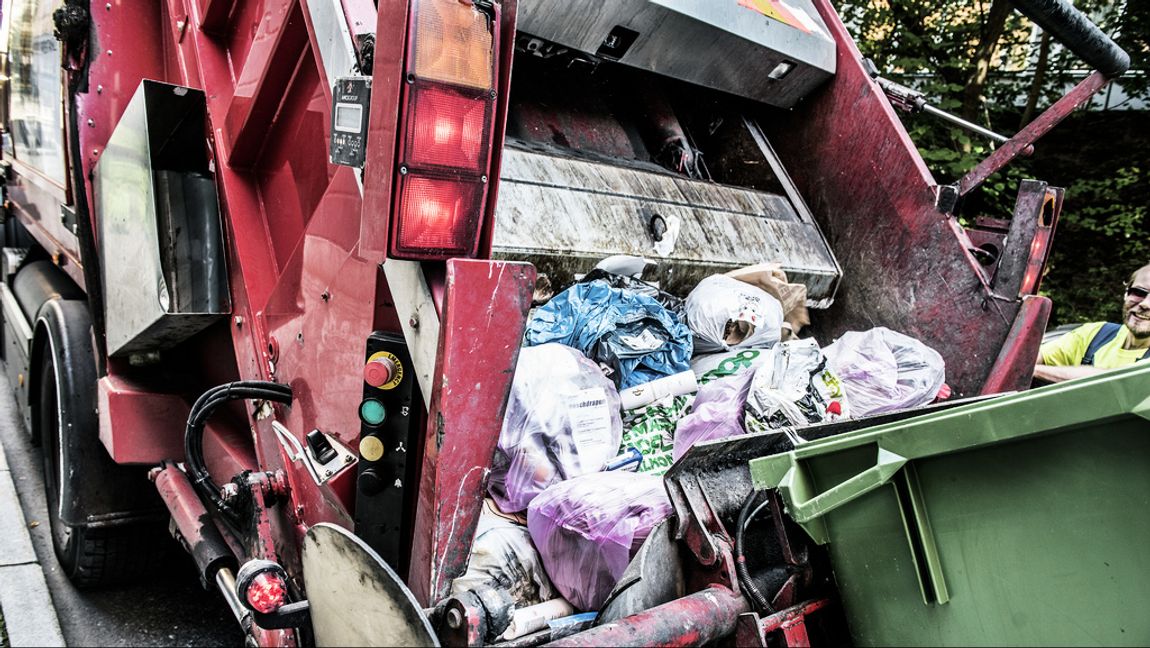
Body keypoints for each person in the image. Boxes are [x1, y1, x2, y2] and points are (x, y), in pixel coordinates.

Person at [1035, 263, 1150, 383]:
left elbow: (1116, 382)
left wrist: (1036, 371)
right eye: (1139, 292)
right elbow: (1029, 359)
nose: (1145, 304)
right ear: (1126, 294)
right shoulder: (1095, 334)